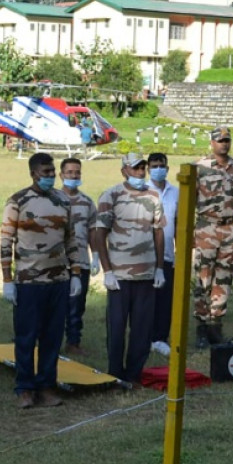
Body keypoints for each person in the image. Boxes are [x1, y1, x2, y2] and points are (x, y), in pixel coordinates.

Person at [1, 153, 82, 409]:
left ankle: (47, 385)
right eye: (44, 172)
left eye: (51, 171)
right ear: (33, 173)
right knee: (26, 337)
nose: (49, 176)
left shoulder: (62, 200)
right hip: (29, 281)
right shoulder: (18, 201)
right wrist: (7, 279)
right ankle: (25, 387)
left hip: (58, 280)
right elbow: (6, 241)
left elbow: (71, 239)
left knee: (52, 337)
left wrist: (76, 273)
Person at [93, 152, 165, 387]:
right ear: (124, 170)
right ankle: (115, 373)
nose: (140, 172)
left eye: (142, 168)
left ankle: (134, 374)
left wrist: (160, 268)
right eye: (135, 168)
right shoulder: (111, 195)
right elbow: (99, 233)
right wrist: (107, 270)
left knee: (142, 330)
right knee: (116, 327)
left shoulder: (153, 196)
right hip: (120, 274)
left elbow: (158, 232)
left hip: (146, 274)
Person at [192, 126, 233, 349]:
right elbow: (190, 200)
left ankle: (216, 326)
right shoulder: (201, 167)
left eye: (227, 140)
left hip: (229, 231)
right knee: (203, 280)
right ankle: (201, 328)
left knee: (223, 280)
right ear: (212, 143)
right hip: (207, 228)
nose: (224, 144)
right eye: (220, 140)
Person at [59, 158, 98, 356]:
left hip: (81, 261)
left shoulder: (87, 202)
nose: (74, 176)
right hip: (57, 263)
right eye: (70, 172)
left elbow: (93, 231)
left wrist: (96, 255)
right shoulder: (53, 198)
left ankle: (73, 342)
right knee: (55, 305)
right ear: (61, 175)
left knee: (77, 306)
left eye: (77, 172)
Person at [146, 152, 177, 357]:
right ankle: (145, 337)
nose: (159, 169)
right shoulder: (143, 191)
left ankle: (160, 338)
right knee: (147, 301)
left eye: (162, 165)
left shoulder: (176, 192)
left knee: (165, 300)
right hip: (146, 256)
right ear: (148, 169)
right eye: (155, 165)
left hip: (167, 255)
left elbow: (179, 222)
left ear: (167, 168)